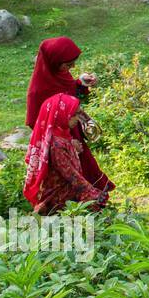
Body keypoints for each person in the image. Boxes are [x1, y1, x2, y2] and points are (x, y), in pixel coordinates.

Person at [25, 36, 110, 193]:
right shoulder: (37, 91)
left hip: (73, 132)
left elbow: (68, 97)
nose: (72, 67)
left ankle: (93, 200)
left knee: (84, 167)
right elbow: (34, 123)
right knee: (67, 177)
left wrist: (80, 84)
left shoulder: (61, 75)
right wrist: (64, 142)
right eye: (68, 64)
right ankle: (80, 204)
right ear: (53, 62)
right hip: (58, 143)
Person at [23, 93, 114, 214]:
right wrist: (93, 194)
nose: (77, 119)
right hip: (58, 201)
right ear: (61, 115)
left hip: (67, 193)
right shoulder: (56, 145)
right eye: (74, 115)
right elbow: (71, 175)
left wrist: (72, 147)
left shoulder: (62, 134)